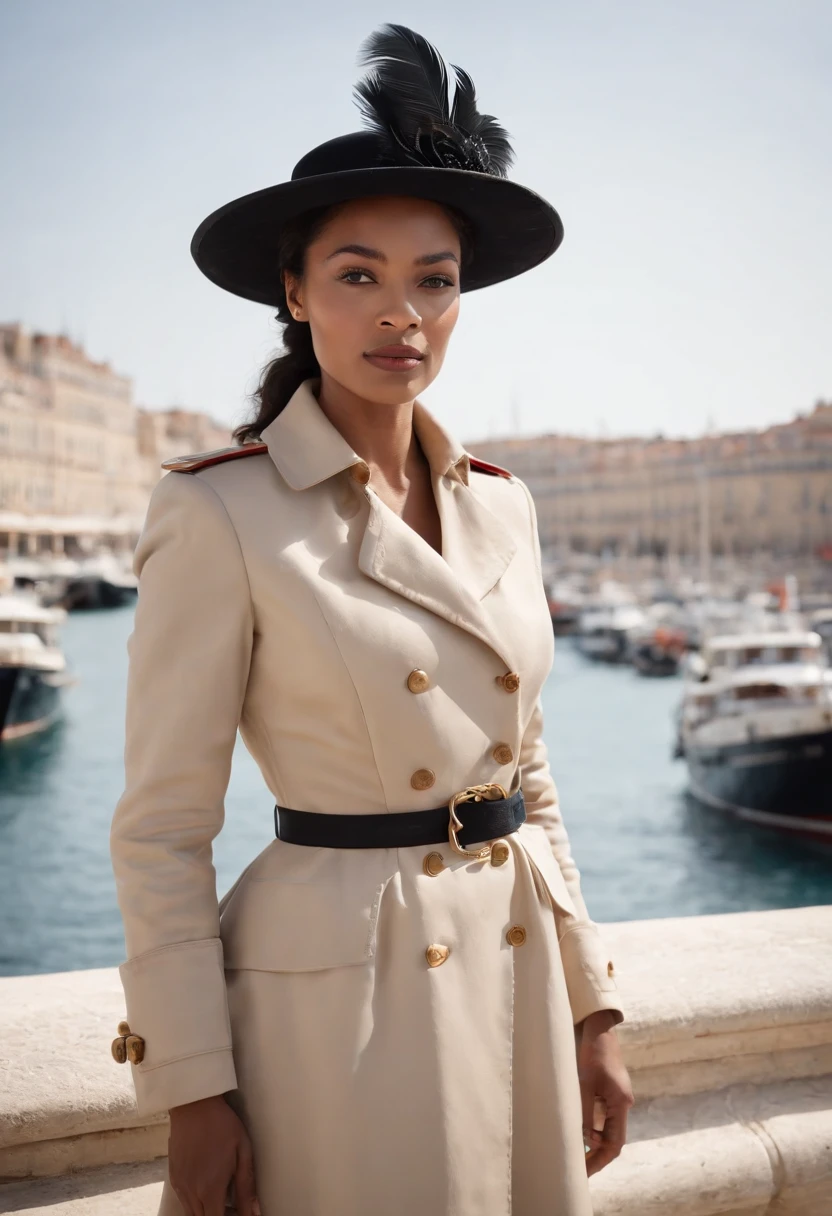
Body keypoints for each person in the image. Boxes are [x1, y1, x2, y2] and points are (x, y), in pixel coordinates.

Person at [109, 22, 634, 1216]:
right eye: (358, 275)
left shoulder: (505, 507)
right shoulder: (220, 512)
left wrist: (592, 1002)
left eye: (433, 278)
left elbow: (528, 775)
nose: (402, 314)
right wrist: (192, 1086)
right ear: (292, 295)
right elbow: (161, 829)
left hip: (510, 970)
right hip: (332, 1006)